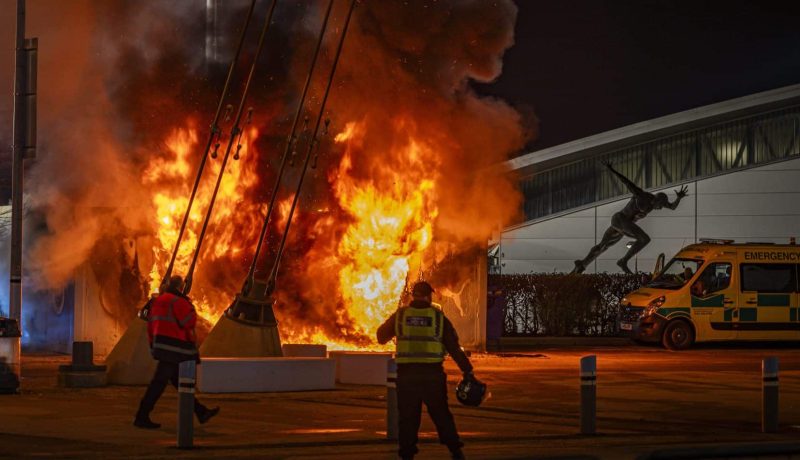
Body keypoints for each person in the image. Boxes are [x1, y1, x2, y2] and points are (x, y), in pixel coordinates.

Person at [377, 281, 473, 460]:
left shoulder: (400, 316)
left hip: (406, 377)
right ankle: (455, 451)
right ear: (429, 296)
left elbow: (380, 336)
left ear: (413, 295)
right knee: (441, 414)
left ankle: (407, 455)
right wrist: (467, 370)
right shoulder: (438, 317)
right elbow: (453, 347)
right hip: (432, 376)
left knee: (407, 418)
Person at [572, 161, 689, 274]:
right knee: (644, 239)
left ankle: (582, 265)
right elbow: (627, 183)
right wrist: (611, 170)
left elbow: (672, 207)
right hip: (620, 219)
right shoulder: (642, 196)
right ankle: (623, 261)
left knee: (603, 246)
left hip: (622, 225)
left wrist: (679, 198)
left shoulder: (654, 205)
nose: (661, 208)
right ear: (657, 200)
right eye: (661, 205)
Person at [134, 275, 219, 429]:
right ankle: (141, 416)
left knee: (180, 382)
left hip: (162, 346)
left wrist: (153, 345)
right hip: (174, 348)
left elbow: (150, 325)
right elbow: (189, 322)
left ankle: (201, 412)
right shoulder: (179, 302)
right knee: (159, 383)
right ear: (181, 287)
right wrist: (190, 307)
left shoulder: (158, 301)